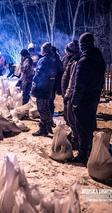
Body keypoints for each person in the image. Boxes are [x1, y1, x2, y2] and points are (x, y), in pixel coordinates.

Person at [71, 32, 106, 165]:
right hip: (94, 97)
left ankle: (83, 154)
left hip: (84, 99)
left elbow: (79, 84)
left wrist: (75, 101)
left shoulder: (85, 60)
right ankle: (91, 149)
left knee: (82, 127)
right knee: (90, 124)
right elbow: (101, 80)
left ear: (83, 45)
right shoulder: (99, 58)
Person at [31, 42, 57, 136]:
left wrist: (34, 80)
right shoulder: (53, 59)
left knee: (42, 108)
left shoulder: (44, 60)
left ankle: (44, 129)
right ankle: (48, 126)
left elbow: (39, 73)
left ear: (44, 50)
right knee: (46, 107)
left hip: (42, 88)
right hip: (49, 87)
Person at [61, 40, 80, 125]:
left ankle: (74, 134)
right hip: (66, 90)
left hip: (70, 91)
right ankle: (69, 125)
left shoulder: (75, 61)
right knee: (67, 111)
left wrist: (68, 93)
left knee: (71, 114)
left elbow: (72, 79)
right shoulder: (68, 59)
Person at [49, 46, 63, 126]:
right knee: (50, 100)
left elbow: (59, 71)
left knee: (50, 100)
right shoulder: (56, 59)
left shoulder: (55, 60)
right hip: (52, 83)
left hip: (52, 84)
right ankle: (49, 117)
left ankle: (50, 119)